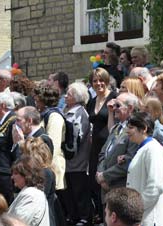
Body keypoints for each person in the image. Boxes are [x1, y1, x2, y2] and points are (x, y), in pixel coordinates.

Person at [124, 112, 163, 226]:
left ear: (144, 128)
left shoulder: (153, 149)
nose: (127, 131)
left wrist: (137, 209)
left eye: (131, 128)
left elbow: (155, 186)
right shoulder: (145, 148)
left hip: (152, 218)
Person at [96, 93, 140, 204]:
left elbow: (129, 160)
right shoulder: (116, 127)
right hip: (106, 189)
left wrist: (105, 176)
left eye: (118, 105)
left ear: (130, 108)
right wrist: (101, 175)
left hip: (121, 189)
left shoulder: (134, 131)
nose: (114, 108)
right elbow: (103, 153)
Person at [62, 82, 92, 225]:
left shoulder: (79, 113)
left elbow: (76, 138)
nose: (66, 96)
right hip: (69, 163)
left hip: (76, 161)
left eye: (69, 94)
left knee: (79, 192)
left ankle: (84, 218)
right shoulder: (67, 110)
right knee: (70, 193)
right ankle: (74, 216)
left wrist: (66, 150)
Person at [32, 82, 66, 192]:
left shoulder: (54, 116)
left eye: (37, 99)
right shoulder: (43, 115)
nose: (35, 101)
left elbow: (52, 146)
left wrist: (45, 170)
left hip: (52, 169)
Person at [8, 156, 50, 226]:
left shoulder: (30, 195)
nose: (12, 177)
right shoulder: (32, 192)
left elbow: (18, 223)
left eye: (15, 173)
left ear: (27, 175)